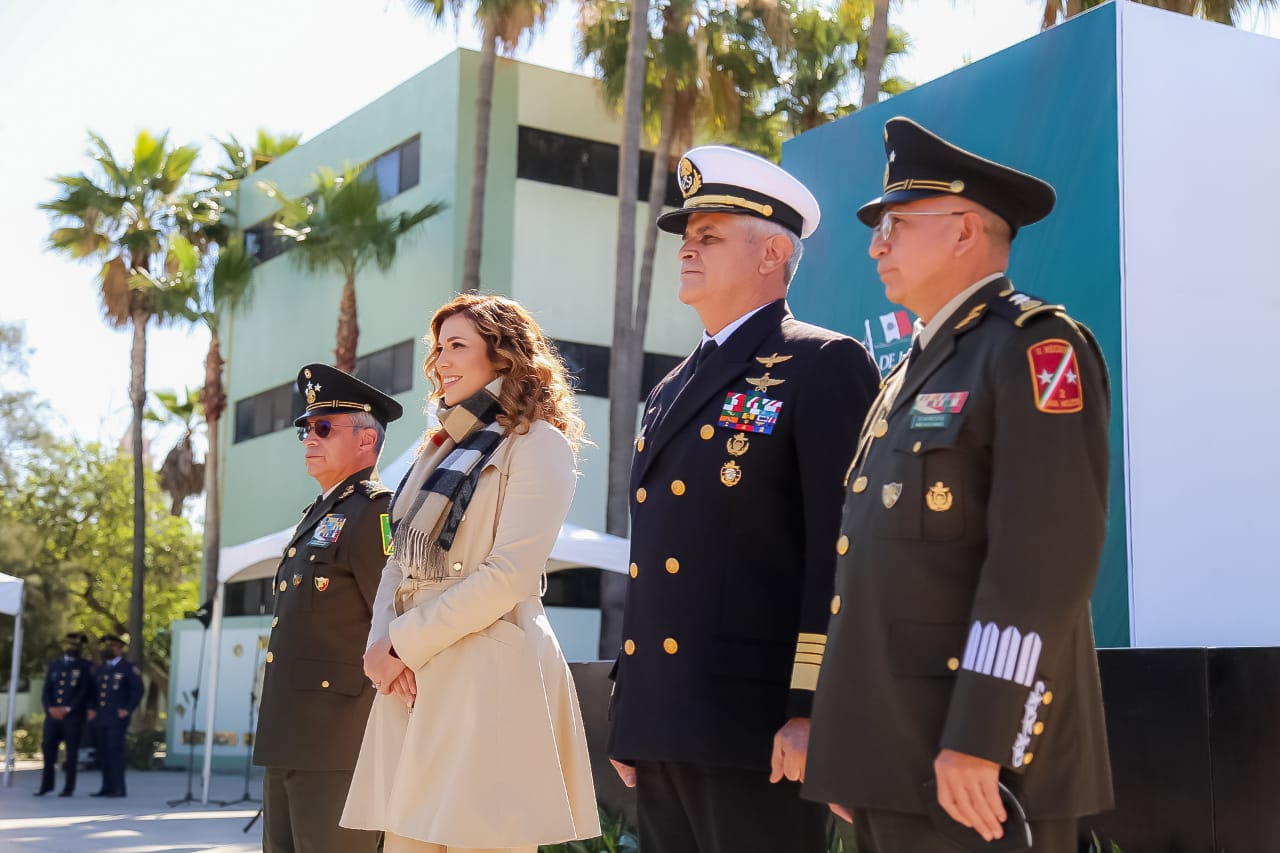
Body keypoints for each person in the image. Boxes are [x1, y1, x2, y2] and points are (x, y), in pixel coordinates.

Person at [803, 116, 1114, 853]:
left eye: (898, 223)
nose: (877, 243)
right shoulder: (907, 372)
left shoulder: (1034, 347)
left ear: (966, 232)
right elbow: (871, 573)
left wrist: (983, 733)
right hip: (894, 758)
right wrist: (853, 747)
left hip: (976, 766)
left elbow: (1042, 566)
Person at [606, 145, 880, 853]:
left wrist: (811, 708)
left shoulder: (823, 363)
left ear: (773, 252)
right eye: (686, 238)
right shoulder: (669, 388)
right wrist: (630, 702)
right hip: (668, 722)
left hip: (757, 728)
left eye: (709, 237)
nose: (686, 251)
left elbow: (839, 554)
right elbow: (656, 555)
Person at [341, 293, 600, 853]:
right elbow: (397, 560)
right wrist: (381, 644)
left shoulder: (539, 445)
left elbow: (508, 574)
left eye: (457, 346)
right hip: (415, 675)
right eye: (437, 349)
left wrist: (404, 643)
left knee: (483, 840)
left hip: (486, 673)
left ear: (503, 357)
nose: (440, 361)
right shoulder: (432, 449)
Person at [253, 363, 404, 853]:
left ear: (366, 441)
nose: (308, 438)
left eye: (323, 427)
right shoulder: (318, 515)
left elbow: (395, 622)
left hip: (340, 743)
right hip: (289, 735)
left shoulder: (375, 513)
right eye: (305, 428)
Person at [35, 631, 93, 797]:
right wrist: (50, 708)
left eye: (76, 645)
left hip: (72, 716)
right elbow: (47, 690)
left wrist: (68, 709)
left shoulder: (85, 666)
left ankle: (68, 787)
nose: (72, 647)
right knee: (48, 748)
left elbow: (83, 691)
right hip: (53, 716)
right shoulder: (55, 665)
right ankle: (46, 786)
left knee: (72, 751)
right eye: (69, 644)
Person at [87, 634, 143, 798]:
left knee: (115, 751)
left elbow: (137, 691)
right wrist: (92, 708)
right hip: (102, 716)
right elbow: (93, 692)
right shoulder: (101, 669)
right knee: (103, 752)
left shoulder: (128, 668)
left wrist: (128, 709)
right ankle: (106, 786)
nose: (107, 650)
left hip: (117, 717)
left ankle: (119, 788)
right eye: (106, 647)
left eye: (111, 647)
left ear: (120, 649)